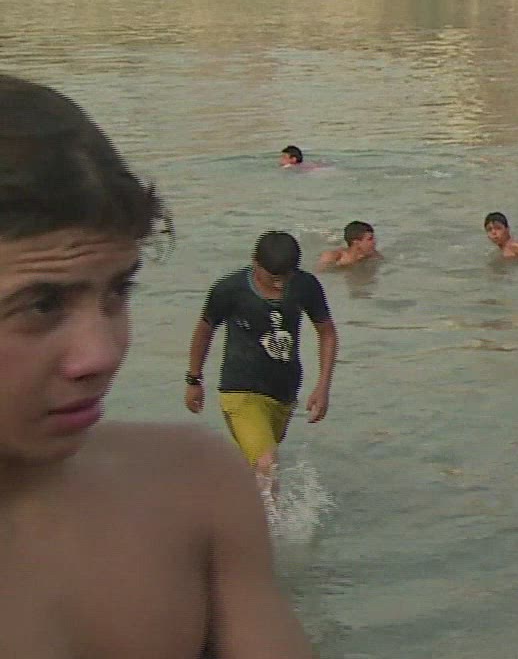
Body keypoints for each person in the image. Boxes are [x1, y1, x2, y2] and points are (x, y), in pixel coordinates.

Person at [0, 74, 313, 657]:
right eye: (41, 305)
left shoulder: (193, 490)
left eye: (118, 292)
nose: (103, 353)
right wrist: (196, 377)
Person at [187, 231, 338, 494]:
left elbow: (327, 332)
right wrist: (194, 379)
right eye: (273, 278)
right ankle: (265, 521)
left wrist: (323, 385)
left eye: (285, 278)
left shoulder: (305, 286)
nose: (279, 285)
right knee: (267, 464)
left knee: (259, 465)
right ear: (255, 262)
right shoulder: (229, 289)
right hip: (240, 390)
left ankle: (224, 501)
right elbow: (204, 331)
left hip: (284, 392)